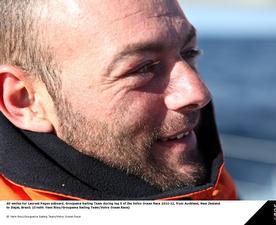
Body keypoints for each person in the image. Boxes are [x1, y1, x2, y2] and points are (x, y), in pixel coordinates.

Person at [0, 0, 237, 200]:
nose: (198, 93)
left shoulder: (209, 178)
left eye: (189, 52)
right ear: (25, 101)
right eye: (143, 68)